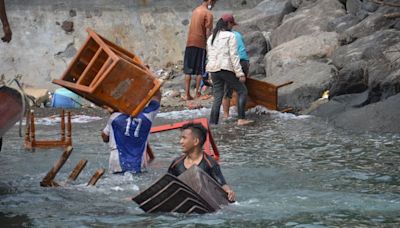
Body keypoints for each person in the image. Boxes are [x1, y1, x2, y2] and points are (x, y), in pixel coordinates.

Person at [168, 122, 235, 202]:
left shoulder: (210, 164)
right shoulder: (176, 163)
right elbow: (168, 183)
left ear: (196, 141)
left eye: (184, 138)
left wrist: (228, 191)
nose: (180, 141)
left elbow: (222, 184)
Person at [206, 17, 253, 126]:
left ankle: (213, 123)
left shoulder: (211, 38)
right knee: (242, 91)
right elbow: (234, 56)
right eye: (231, 24)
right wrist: (239, 73)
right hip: (225, 68)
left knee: (218, 96)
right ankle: (241, 119)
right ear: (227, 23)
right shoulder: (230, 36)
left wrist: (209, 74)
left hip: (213, 70)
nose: (232, 27)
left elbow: (210, 56)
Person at [101, 90, 161, 174]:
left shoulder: (114, 117)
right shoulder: (148, 116)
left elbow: (105, 137)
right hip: (139, 165)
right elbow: (157, 97)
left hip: (117, 164)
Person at [183, 0, 217, 100]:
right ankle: (198, 93)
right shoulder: (208, 13)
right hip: (200, 44)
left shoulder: (195, 11)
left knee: (187, 70)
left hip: (189, 43)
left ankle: (187, 94)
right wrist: (210, 44)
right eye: (214, 2)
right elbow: (208, 32)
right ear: (210, 1)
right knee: (199, 71)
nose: (214, 5)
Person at [221, 13, 250, 120]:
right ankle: (241, 117)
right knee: (241, 89)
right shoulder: (237, 35)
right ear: (230, 24)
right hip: (242, 62)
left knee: (227, 91)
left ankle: (225, 116)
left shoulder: (219, 37)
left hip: (229, 63)